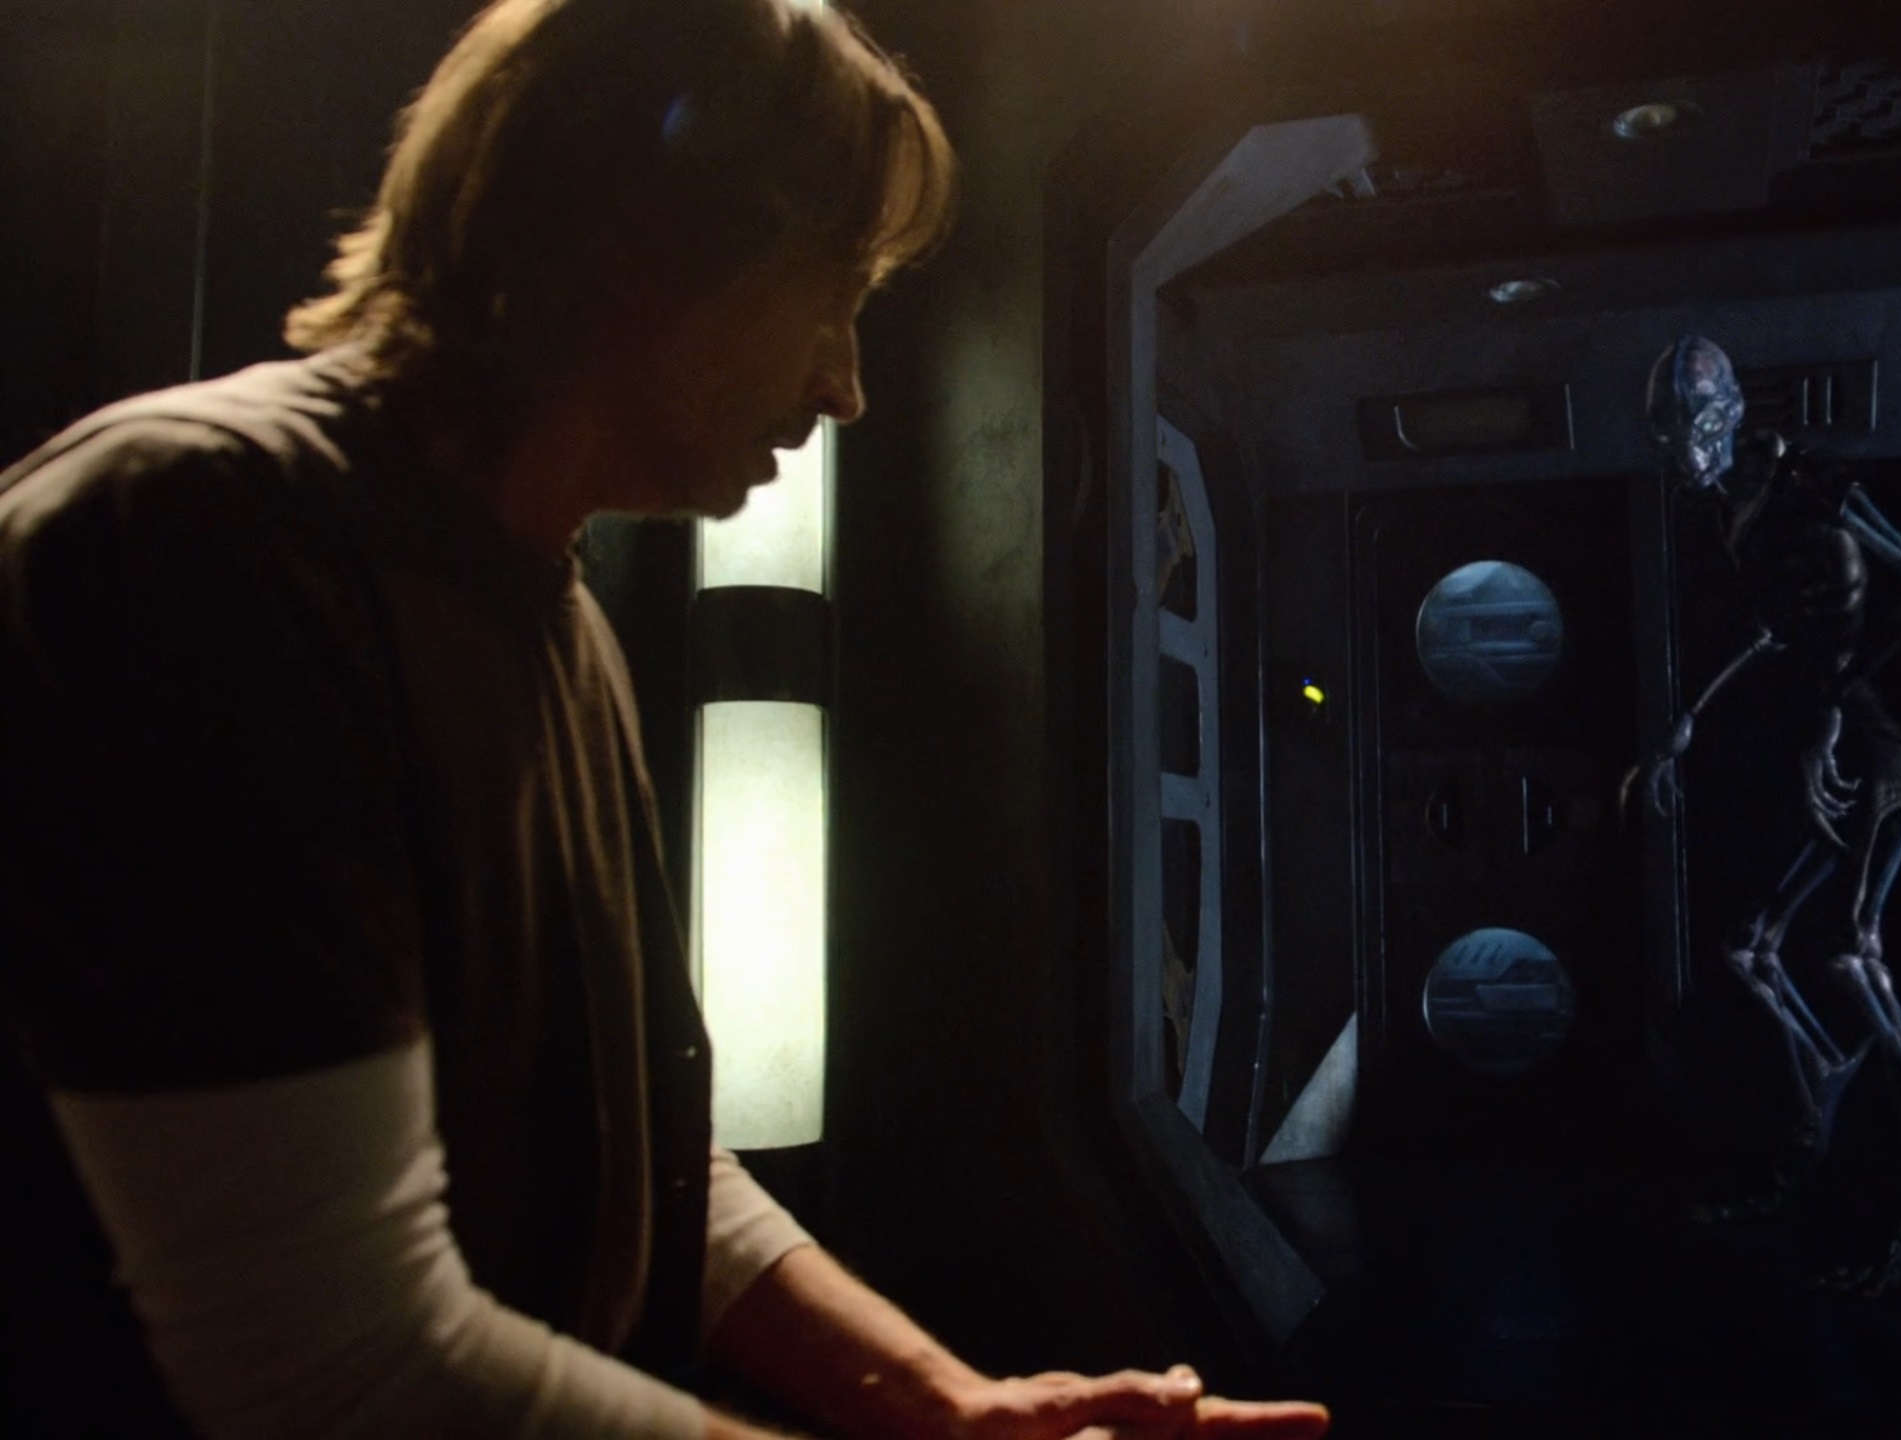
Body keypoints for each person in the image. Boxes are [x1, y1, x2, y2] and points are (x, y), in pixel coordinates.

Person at [0, 2, 1330, 1437]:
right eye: (830, 294)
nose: (845, 387)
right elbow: (329, 1369)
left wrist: (945, 1408)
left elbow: (650, 1161)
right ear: (647, 249)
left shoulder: (558, 626)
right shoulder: (201, 544)